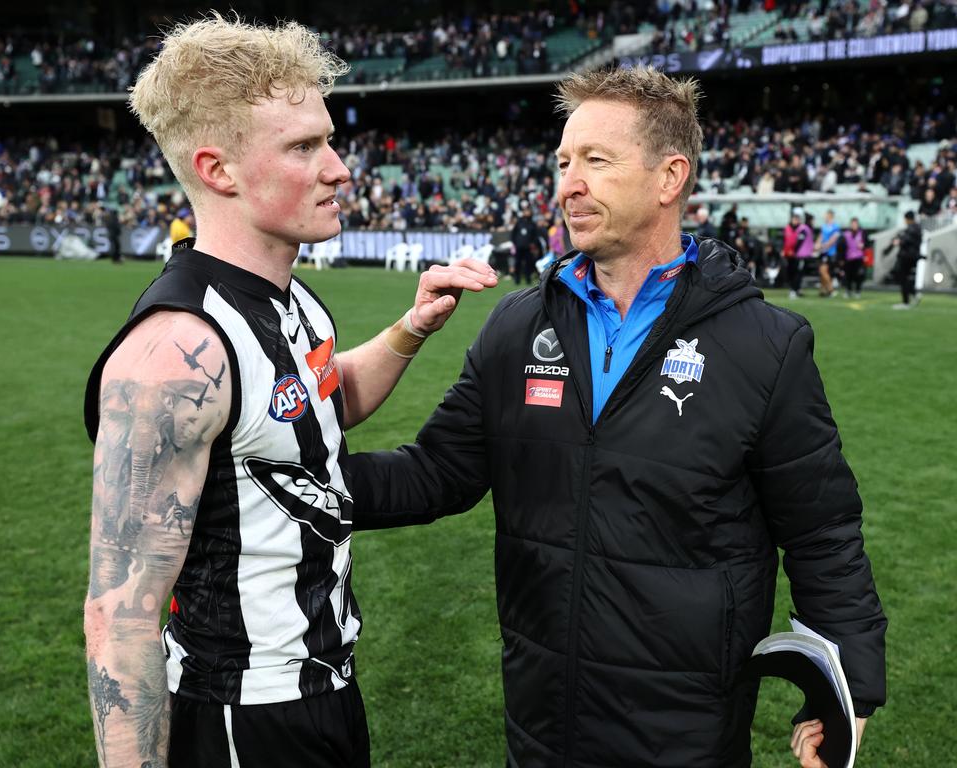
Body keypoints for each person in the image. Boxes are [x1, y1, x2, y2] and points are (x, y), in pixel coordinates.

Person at [345, 66, 886, 768]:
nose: (569, 182)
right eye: (563, 162)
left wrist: (847, 692)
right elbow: (436, 473)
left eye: (596, 161)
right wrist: (282, 480)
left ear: (669, 178)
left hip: (685, 734)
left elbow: (823, 533)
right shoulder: (518, 325)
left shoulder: (765, 345)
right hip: (543, 724)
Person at [81, 16, 497, 768]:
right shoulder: (175, 352)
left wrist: (411, 327)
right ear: (219, 170)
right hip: (241, 715)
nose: (339, 168)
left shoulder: (293, 301)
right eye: (305, 147)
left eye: (328, 139)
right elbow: (122, 616)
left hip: (329, 691)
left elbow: (315, 405)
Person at [885, 210, 924, 308]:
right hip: (911, 257)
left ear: (907, 219)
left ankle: (906, 301)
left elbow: (905, 240)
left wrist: (899, 241)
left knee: (903, 279)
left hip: (907, 257)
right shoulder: (916, 228)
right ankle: (913, 294)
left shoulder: (912, 229)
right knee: (905, 278)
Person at [814, 209, 841, 297]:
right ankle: (823, 290)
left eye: (826, 215)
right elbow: (820, 237)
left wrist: (822, 245)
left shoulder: (835, 227)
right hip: (823, 252)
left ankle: (831, 289)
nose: (825, 217)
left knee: (823, 271)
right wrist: (817, 245)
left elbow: (833, 240)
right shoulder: (824, 226)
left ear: (830, 216)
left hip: (830, 253)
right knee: (822, 271)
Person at [841, 217, 867, 299]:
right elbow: (842, 246)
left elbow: (867, 243)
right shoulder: (846, 234)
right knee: (848, 275)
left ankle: (858, 291)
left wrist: (864, 246)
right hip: (849, 257)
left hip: (859, 257)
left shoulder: (862, 233)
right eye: (853, 224)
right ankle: (848, 290)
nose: (854, 225)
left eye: (855, 224)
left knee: (858, 275)